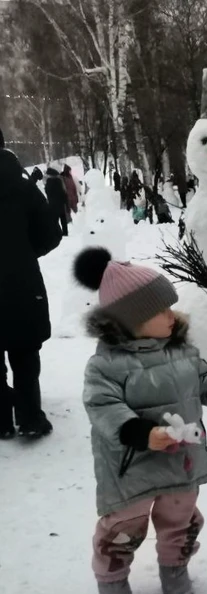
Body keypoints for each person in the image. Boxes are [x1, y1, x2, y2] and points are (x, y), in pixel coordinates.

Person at [72, 247, 207, 594]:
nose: (172, 316)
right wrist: (144, 434)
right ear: (131, 320)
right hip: (131, 465)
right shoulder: (106, 366)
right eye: (161, 310)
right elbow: (103, 407)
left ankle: (175, 573)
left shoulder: (184, 353)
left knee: (181, 522)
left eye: (170, 306)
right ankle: (112, 584)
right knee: (124, 529)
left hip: (182, 461)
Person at [0, 147, 62, 439]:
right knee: (24, 353)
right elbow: (51, 233)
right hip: (21, 286)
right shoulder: (24, 188)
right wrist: (24, 255)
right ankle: (29, 418)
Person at [44, 167, 70, 236]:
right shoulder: (59, 181)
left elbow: (47, 192)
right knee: (63, 219)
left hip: (52, 205)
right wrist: (66, 203)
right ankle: (65, 232)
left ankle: (56, 233)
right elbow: (63, 193)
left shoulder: (48, 183)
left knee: (54, 220)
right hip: (60, 204)